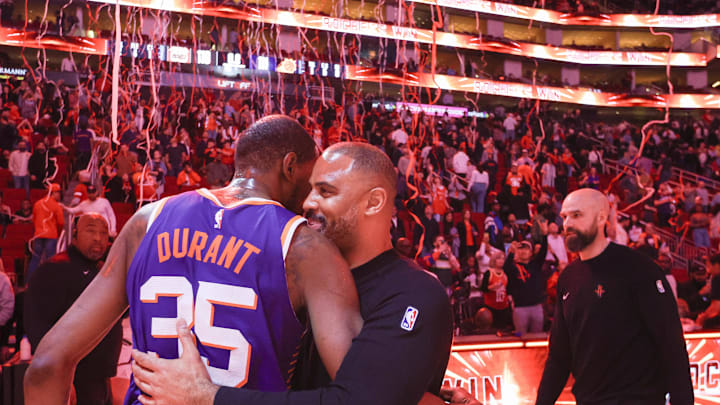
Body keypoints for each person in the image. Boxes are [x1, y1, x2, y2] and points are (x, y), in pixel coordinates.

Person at [24, 115, 363, 403]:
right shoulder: (305, 248)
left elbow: (46, 366)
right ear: (290, 166)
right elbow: (361, 393)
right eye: (311, 181)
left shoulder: (147, 221)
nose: (310, 197)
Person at [130, 142, 454, 405]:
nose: (308, 202)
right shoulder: (295, 268)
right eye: (310, 188)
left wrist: (207, 397)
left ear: (373, 203)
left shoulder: (414, 294)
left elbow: (360, 400)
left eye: (325, 192)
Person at [536, 188, 693, 405]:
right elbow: (559, 357)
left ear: (601, 217)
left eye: (577, 215)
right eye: (564, 217)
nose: (567, 224)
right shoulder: (567, 278)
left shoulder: (639, 269)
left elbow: (671, 345)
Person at [25, 214, 121, 405]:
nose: (98, 238)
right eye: (91, 231)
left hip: (100, 375)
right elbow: (37, 327)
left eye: (104, 233)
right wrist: (61, 378)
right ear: (74, 235)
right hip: (73, 377)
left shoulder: (104, 269)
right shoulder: (54, 270)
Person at [28, 183, 65, 280]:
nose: (60, 195)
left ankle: (30, 282)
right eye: (58, 193)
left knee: (35, 259)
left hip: (39, 235)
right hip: (51, 235)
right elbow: (61, 223)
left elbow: (34, 220)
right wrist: (58, 233)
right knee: (51, 260)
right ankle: (50, 282)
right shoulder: (56, 206)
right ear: (54, 193)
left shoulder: (38, 203)